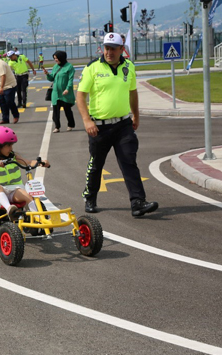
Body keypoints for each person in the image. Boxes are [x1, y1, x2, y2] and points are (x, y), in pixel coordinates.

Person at [76, 32, 158, 217]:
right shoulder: (92, 68)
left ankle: (137, 202)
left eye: (113, 48)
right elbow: (80, 96)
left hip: (123, 125)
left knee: (129, 161)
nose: (109, 52)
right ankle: (90, 196)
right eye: (106, 48)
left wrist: (136, 116)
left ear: (122, 49)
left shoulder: (128, 66)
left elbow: (133, 92)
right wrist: (87, 120)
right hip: (99, 127)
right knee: (96, 164)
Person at [0, 126, 50, 220]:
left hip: (13, 190)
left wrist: (41, 163)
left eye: (11, 145)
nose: (11, 148)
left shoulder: (13, 157)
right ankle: (10, 210)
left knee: (27, 194)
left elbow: (28, 162)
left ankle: (39, 218)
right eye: (8, 145)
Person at [44, 50, 75, 133]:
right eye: (54, 58)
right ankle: (57, 126)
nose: (55, 60)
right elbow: (51, 78)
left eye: (57, 58)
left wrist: (67, 89)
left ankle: (70, 124)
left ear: (62, 58)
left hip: (65, 93)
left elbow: (70, 79)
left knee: (67, 110)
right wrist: (47, 74)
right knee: (55, 111)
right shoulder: (55, 67)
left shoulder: (69, 67)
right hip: (56, 93)